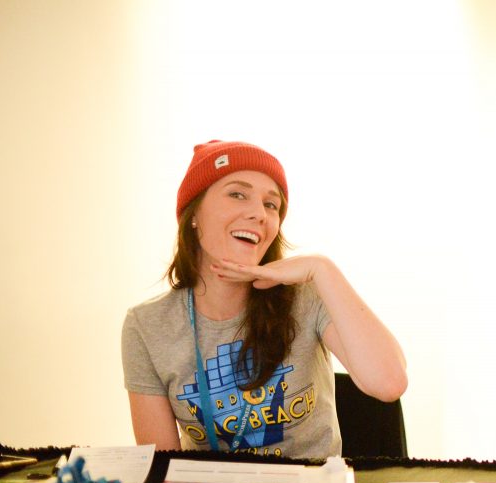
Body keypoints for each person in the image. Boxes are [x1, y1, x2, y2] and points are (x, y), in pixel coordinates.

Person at [122, 140, 407, 457]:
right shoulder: (147, 326)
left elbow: (390, 383)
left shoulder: (307, 296)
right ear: (193, 214)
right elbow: (161, 467)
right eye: (237, 194)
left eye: (271, 205)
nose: (259, 213)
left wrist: (322, 269)